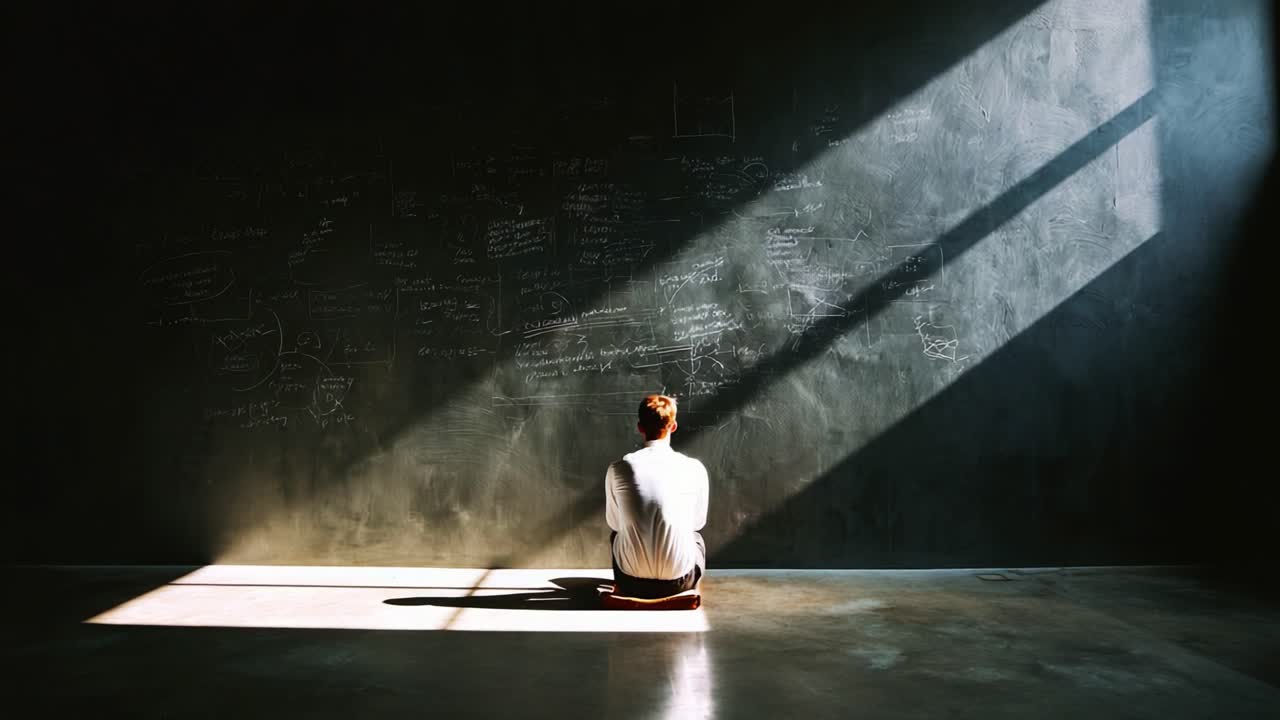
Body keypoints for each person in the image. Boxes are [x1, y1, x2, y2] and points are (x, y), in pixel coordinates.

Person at [605, 394, 709, 598]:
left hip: (631, 583)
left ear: (640, 427)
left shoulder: (618, 469)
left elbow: (615, 524)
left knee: (617, 534)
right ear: (673, 426)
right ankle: (685, 584)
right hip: (679, 583)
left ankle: (629, 581)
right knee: (695, 536)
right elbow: (697, 523)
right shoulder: (694, 468)